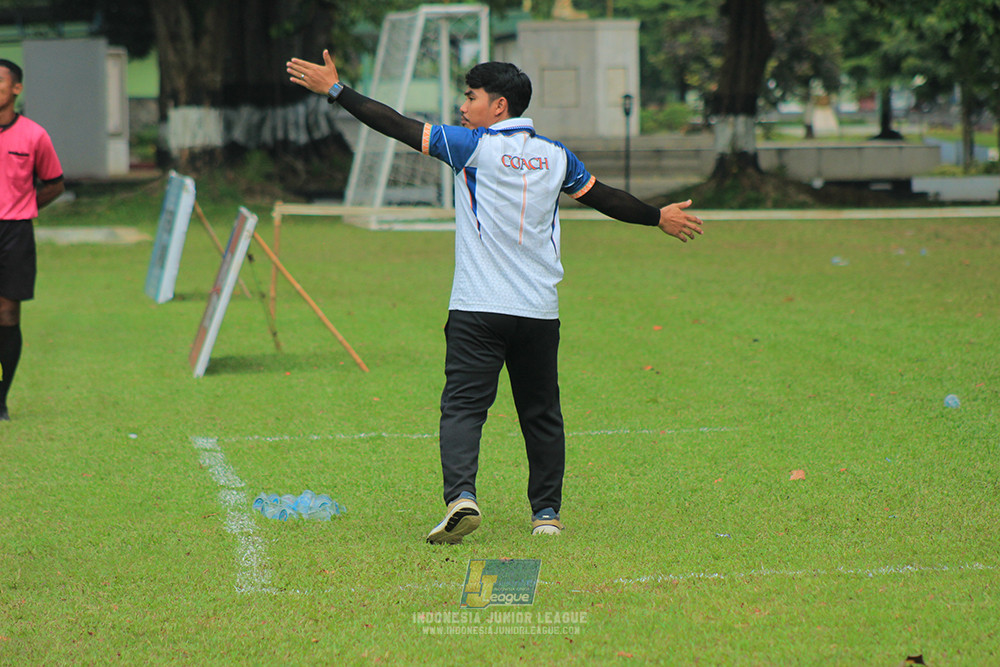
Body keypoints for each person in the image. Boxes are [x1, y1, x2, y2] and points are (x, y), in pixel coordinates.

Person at [286, 52, 703, 543]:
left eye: (471, 97)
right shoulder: (555, 156)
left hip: (478, 309)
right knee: (541, 413)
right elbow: (605, 197)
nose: (463, 107)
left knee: (463, 408)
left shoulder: (471, 146)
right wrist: (658, 218)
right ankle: (546, 514)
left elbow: (396, 126)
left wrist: (338, 91)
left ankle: (462, 497)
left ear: (499, 105)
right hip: (538, 314)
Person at [0, 59, 64, 422]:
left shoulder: (35, 135)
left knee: (7, 316)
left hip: (15, 232)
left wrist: (24, 206)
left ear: (16, 89)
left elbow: (54, 183)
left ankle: (0, 397)